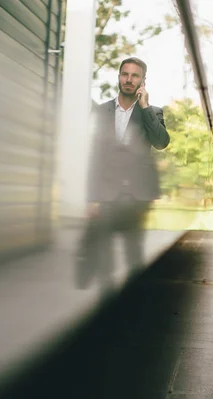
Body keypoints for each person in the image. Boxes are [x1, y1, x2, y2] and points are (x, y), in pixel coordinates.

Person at [76, 57, 170, 289]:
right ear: (119, 77)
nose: (129, 80)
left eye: (135, 75)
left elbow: (161, 142)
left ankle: (133, 304)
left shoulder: (153, 112)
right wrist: (90, 198)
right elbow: (94, 155)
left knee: (133, 254)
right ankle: (108, 302)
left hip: (136, 197)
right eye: (125, 74)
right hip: (107, 194)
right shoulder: (101, 111)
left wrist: (145, 106)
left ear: (143, 81)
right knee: (105, 257)